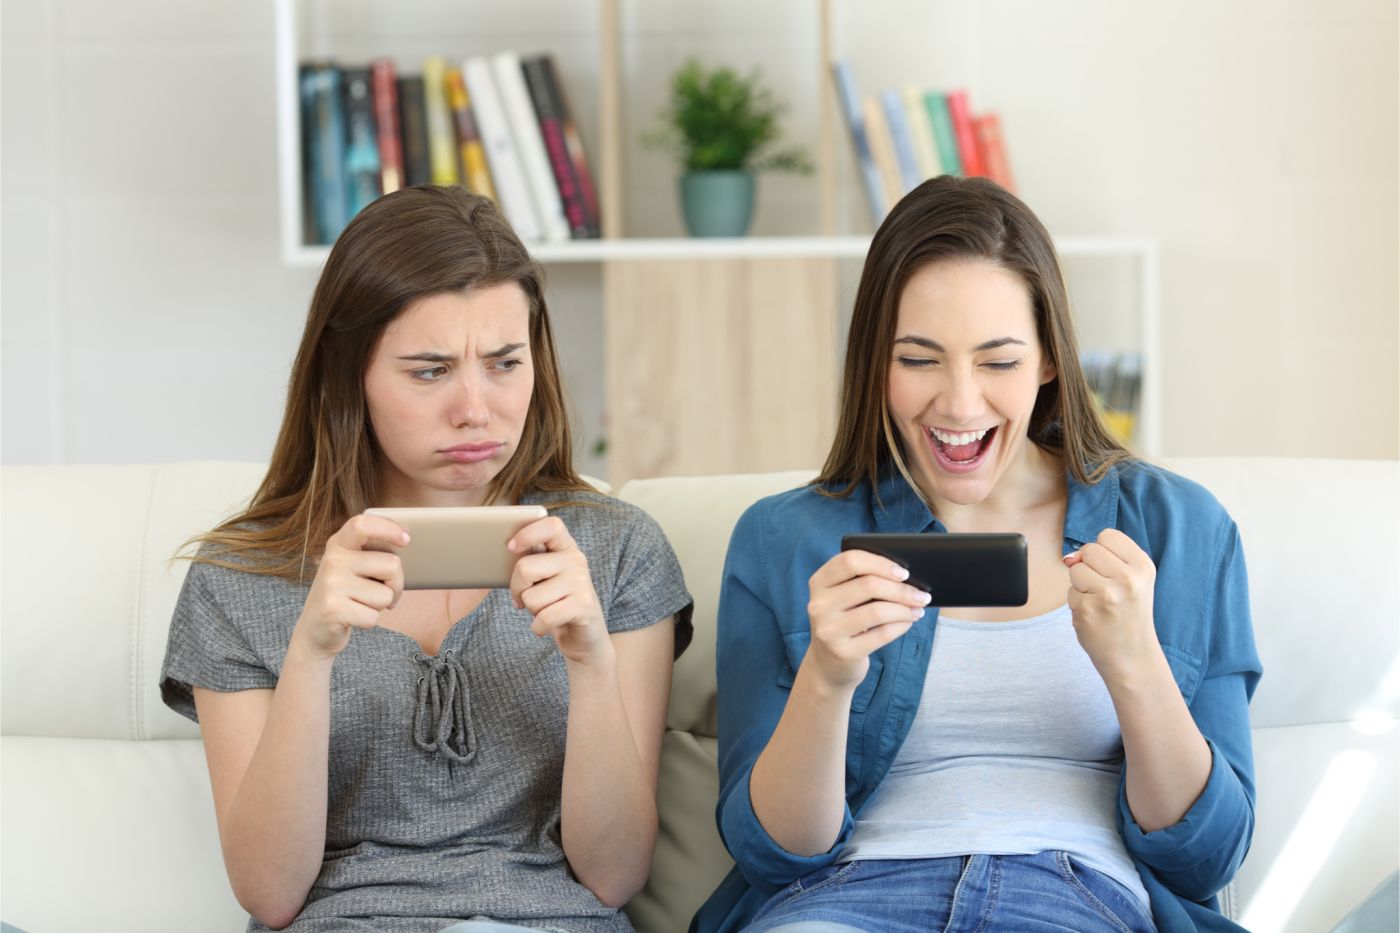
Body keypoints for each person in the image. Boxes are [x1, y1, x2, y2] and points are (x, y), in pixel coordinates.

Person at [693, 176, 1260, 933]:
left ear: (1050, 361)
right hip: (842, 899)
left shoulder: (1183, 528)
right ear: (876, 363)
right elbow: (773, 854)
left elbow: (1208, 857)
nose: (960, 405)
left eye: (998, 360)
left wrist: (1136, 663)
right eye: (920, 360)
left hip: (1072, 895)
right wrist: (826, 679)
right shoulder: (780, 540)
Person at [160, 186, 693, 933]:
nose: (476, 408)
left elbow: (613, 876)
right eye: (430, 370)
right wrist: (311, 654)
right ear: (347, 377)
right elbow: (270, 892)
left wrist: (591, 663)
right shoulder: (237, 579)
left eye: (505, 362)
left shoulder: (616, 549)